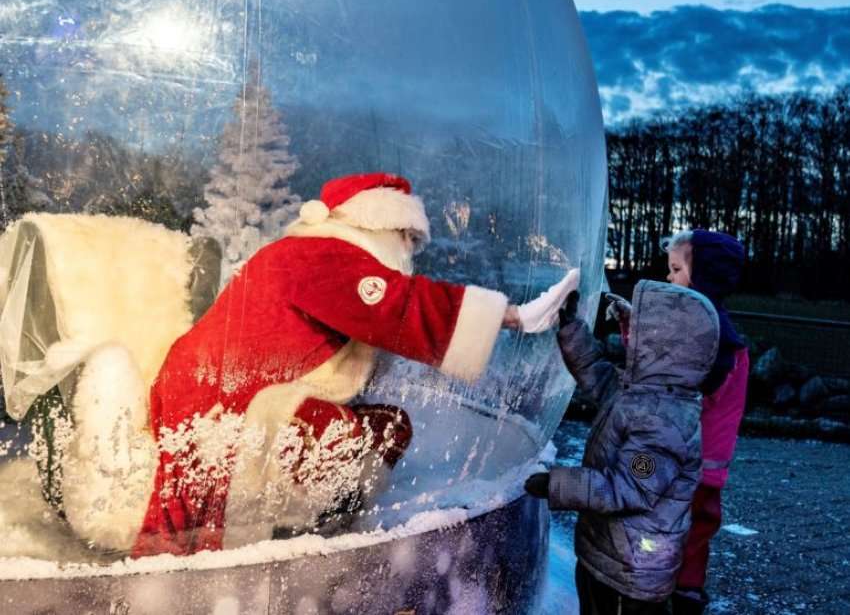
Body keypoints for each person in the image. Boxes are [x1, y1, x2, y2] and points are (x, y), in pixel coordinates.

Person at [53, 172, 577, 557]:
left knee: (385, 427)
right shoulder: (325, 259)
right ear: (375, 225)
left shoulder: (311, 255)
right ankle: (285, 531)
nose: (409, 251)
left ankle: (301, 516)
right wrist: (508, 316)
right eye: (405, 237)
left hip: (209, 389)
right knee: (345, 436)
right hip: (219, 399)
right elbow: (397, 304)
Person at [525, 280, 720, 614]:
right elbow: (596, 375)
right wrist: (571, 329)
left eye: (640, 335)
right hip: (607, 555)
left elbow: (627, 487)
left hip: (631, 577)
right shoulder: (643, 393)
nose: (628, 339)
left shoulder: (663, 426)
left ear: (664, 351)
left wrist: (558, 484)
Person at [607, 230, 749, 614]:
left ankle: (662, 585)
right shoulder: (708, 331)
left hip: (686, 463)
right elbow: (660, 361)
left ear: (702, 277)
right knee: (691, 523)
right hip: (693, 462)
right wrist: (631, 325)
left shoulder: (715, 338)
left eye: (675, 269)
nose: (669, 278)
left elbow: (671, 377)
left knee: (670, 519)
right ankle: (679, 586)